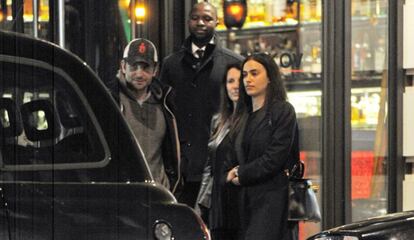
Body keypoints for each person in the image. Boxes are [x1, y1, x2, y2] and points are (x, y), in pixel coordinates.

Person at [159, 2, 243, 206]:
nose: (200, 23)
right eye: (195, 18)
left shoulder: (233, 63)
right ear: (188, 21)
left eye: (207, 18)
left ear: (217, 22)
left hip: (219, 163)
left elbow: (241, 112)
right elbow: (163, 110)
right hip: (181, 166)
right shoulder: (171, 64)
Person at [226, 53, 300, 240]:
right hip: (243, 200)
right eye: (245, 75)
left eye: (254, 73)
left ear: (269, 78)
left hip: (272, 199)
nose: (247, 79)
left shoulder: (282, 111)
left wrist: (242, 173)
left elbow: (274, 158)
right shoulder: (242, 115)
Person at [109, 38, 181, 193]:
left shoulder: (166, 102)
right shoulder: (110, 101)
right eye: (134, 66)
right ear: (123, 66)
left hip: (160, 195)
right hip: (122, 195)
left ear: (155, 70)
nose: (139, 74)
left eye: (146, 67)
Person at [195, 63, 242, 240]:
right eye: (230, 81)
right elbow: (209, 166)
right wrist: (200, 205)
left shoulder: (252, 119)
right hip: (217, 201)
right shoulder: (218, 120)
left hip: (240, 200)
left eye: (239, 80)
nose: (235, 85)